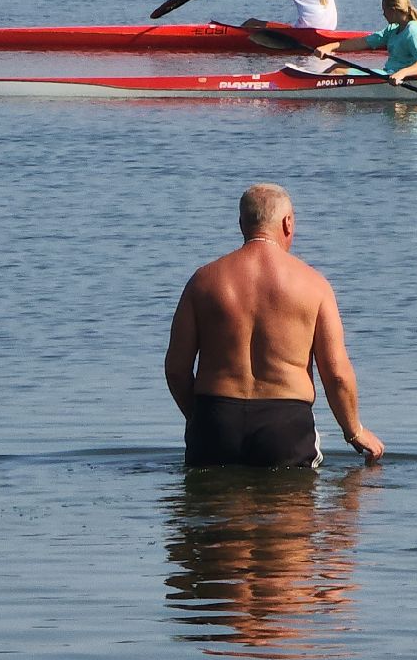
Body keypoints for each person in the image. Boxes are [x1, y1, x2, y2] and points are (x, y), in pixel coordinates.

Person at [165, 183, 385, 467]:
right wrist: (354, 431)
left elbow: (176, 369)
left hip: (215, 421)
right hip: (285, 428)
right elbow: (337, 375)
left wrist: (201, 419)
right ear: (287, 223)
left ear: (241, 223)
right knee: (292, 507)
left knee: (215, 508)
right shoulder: (314, 285)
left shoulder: (203, 282)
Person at [313, 0, 417, 83]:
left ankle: (311, 90)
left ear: (393, 10)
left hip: (401, 78)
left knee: (338, 71)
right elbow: (362, 42)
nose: (383, 14)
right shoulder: (393, 29)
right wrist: (330, 47)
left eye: (384, 10)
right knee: (338, 66)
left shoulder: (414, 30)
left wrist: (402, 73)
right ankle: (311, 83)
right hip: (389, 75)